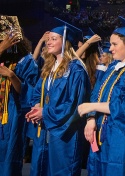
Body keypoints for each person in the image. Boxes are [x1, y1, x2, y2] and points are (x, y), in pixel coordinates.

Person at [78, 16, 125, 176]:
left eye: (114, 44)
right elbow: (97, 91)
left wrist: (90, 107)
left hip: (122, 136)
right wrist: (91, 118)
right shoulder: (114, 66)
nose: (110, 49)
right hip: (101, 131)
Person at [25, 23, 91, 176]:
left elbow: (74, 104)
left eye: (54, 39)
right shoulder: (50, 66)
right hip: (45, 129)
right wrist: (36, 107)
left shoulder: (76, 70)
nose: (48, 42)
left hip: (64, 133)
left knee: (61, 170)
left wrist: (45, 112)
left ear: (65, 42)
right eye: (48, 39)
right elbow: (37, 92)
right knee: (42, 167)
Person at [0, 15, 39, 176]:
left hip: (12, 117)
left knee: (8, 160)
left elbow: (29, 93)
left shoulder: (26, 61)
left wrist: (11, 75)